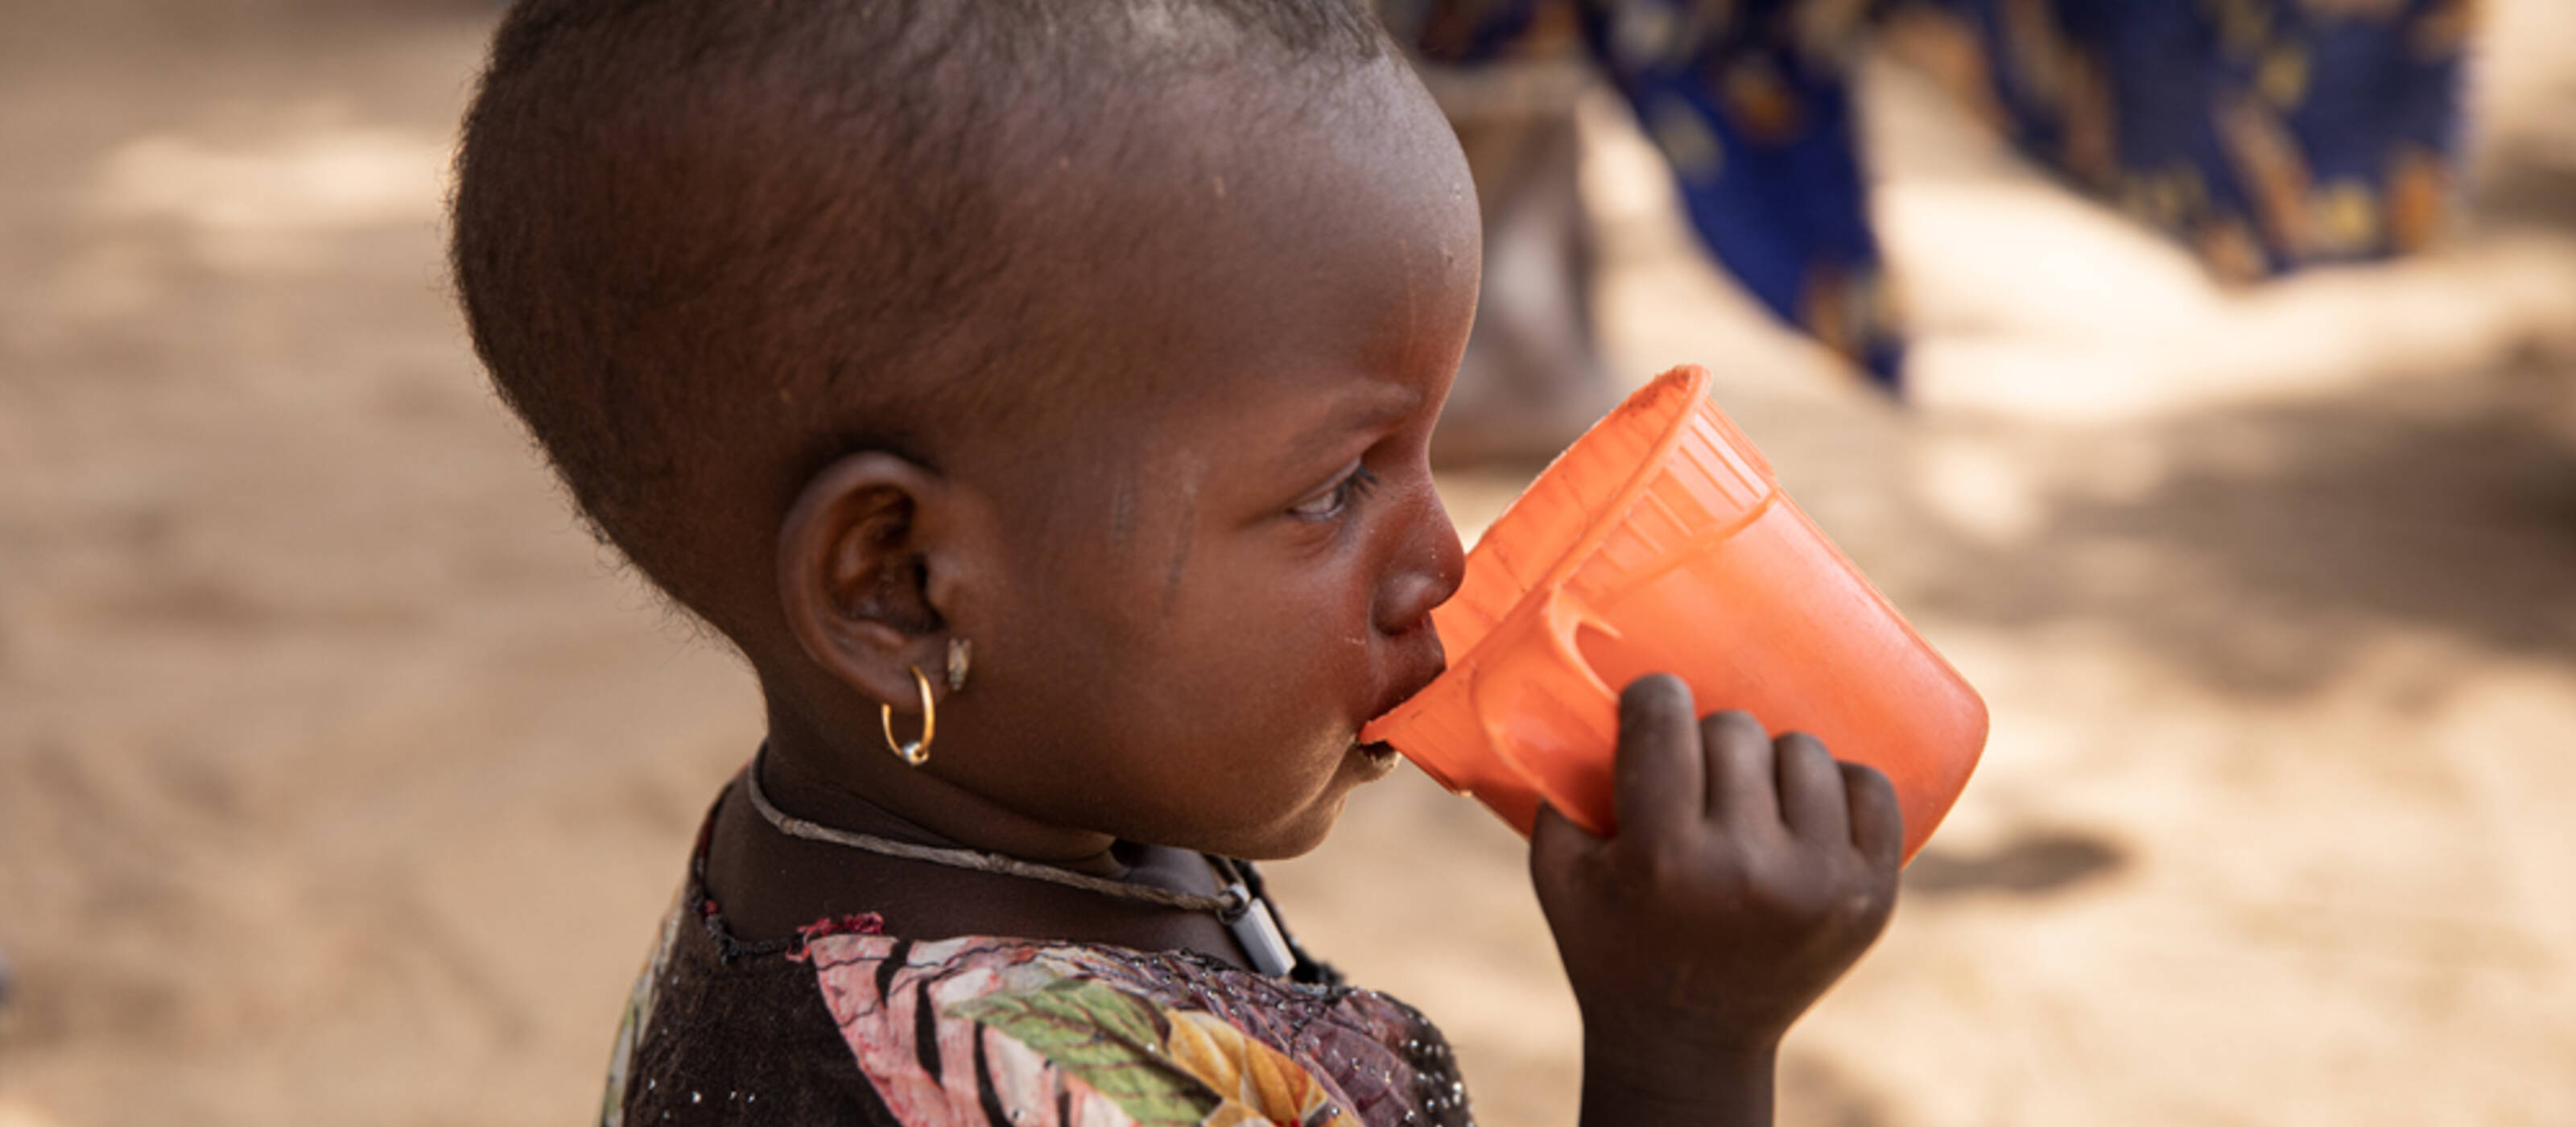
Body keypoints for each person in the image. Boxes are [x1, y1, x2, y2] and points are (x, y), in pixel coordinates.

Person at [448, 2, 1902, 1124]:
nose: (1444, 564)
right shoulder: (1022, 1089)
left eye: (1426, 452)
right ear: (903, 586)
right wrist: (1687, 1045)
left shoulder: (942, 807)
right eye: (1335, 487)